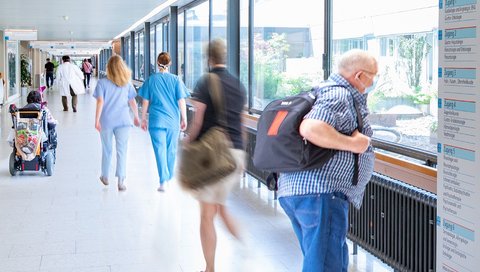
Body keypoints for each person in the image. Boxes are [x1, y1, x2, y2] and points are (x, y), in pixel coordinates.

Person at [277, 49, 377, 272]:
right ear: (360, 75)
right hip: (320, 193)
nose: (373, 82)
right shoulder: (339, 95)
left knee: (330, 261)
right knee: (325, 266)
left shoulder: (323, 90)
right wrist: (355, 144)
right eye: (373, 76)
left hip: (305, 191)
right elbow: (311, 127)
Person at [185, 39, 247, 272]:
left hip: (213, 155)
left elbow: (198, 119)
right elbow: (240, 121)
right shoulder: (238, 84)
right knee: (219, 206)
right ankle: (244, 244)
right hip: (236, 153)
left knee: (207, 214)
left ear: (208, 59)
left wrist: (188, 141)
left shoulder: (205, 81)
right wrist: (243, 157)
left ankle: (210, 268)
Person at [138, 52, 188, 192]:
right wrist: (184, 118)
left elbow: (145, 101)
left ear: (157, 62)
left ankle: (162, 180)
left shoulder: (151, 80)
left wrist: (143, 119)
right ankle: (169, 176)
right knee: (171, 150)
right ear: (170, 63)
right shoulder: (176, 80)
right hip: (173, 121)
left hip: (156, 121)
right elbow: (181, 100)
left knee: (160, 150)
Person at [93, 55, 140, 191]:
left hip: (106, 121)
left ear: (108, 68)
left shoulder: (102, 83)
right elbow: (132, 102)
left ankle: (105, 176)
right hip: (124, 121)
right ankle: (121, 181)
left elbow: (100, 102)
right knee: (122, 151)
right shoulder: (127, 83)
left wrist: (96, 120)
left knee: (107, 149)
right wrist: (136, 117)